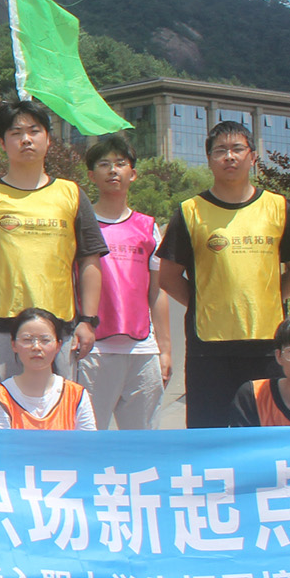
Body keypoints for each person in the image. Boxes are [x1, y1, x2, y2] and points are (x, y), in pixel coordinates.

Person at [0, 99, 107, 405]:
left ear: (48, 139)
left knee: (59, 414)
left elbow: (89, 259)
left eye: (34, 131)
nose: (26, 139)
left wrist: (88, 320)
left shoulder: (71, 194)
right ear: (2, 142)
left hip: (59, 331)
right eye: (16, 133)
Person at [159, 118, 290, 428]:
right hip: (209, 348)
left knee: (264, 434)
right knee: (208, 436)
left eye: (237, 149)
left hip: (267, 344)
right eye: (220, 150)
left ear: (252, 157)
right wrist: (204, 302)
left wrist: (268, 299)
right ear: (209, 159)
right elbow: (168, 277)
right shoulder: (190, 211)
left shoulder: (277, 208)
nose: (229, 156)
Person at [71, 134, 172, 430]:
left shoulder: (147, 227)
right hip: (92, 350)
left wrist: (165, 349)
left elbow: (157, 291)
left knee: (142, 442)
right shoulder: (79, 225)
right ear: (92, 175)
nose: (113, 170)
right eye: (104, 164)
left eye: (120, 163)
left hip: (142, 350)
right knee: (89, 438)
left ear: (133, 173)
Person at [0, 308, 96, 430]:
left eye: (45, 340)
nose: (36, 347)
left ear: (58, 345)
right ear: (13, 344)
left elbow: (87, 441)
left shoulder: (77, 396)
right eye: (27, 340)